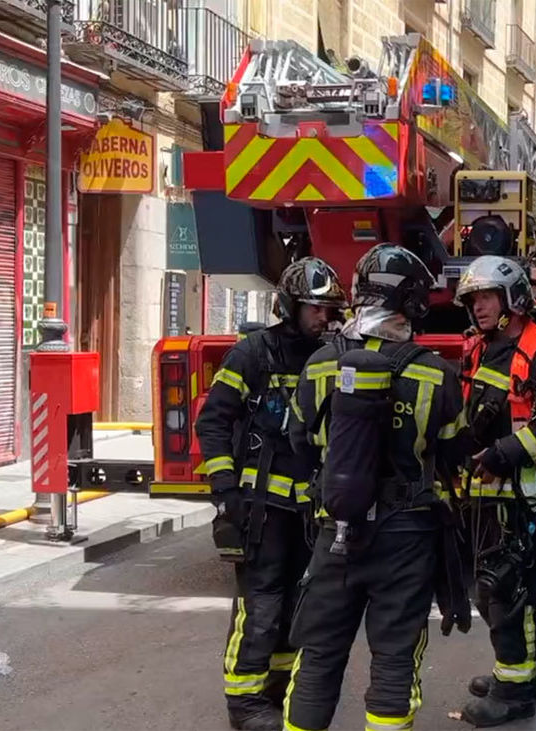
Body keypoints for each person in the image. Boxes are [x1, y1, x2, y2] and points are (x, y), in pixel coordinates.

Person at [283, 244, 467, 731]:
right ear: (410, 302)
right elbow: (453, 452)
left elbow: (299, 439)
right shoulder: (436, 373)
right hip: (406, 535)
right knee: (394, 660)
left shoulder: (321, 363)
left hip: (335, 528)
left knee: (319, 655)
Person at [193, 257, 347, 731]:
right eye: (315, 309)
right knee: (260, 605)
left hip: (311, 512)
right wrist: (225, 492)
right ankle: (244, 701)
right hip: (262, 509)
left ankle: (276, 690)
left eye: (330, 310)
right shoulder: (253, 354)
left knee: (297, 606)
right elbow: (212, 420)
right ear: (289, 306)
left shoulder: (335, 358)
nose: (325, 318)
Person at [452, 256, 536, 727]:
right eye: (473, 299)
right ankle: (520, 673)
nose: (477, 307)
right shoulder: (481, 348)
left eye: (486, 297)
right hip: (484, 494)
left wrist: (504, 452)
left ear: (513, 300)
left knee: (505, 590)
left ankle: (515, 690)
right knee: (497, 590)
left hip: (522, 497)